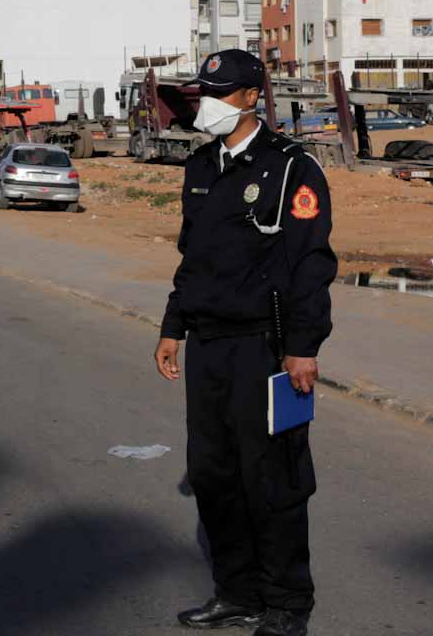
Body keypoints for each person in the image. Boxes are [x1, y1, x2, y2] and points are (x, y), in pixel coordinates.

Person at [155, 49, 335, 636]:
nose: (206, 104)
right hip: (208, 344)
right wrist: (172, 326)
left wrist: (303, 347)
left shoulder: (291, 168)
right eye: (202, 92)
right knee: (213, 474)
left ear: (252, 97)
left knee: (274, 478)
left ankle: (287, 605)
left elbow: (311, 263)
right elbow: (192, 258)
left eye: (221, 93)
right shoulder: (200, 166)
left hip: (268, 348)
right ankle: (238, 593)